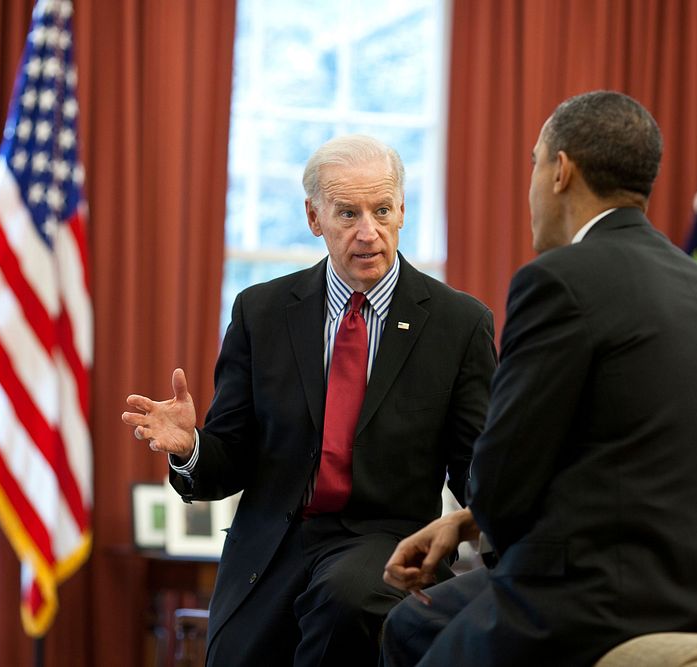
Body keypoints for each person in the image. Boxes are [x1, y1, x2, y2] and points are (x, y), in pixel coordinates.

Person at [381, 91, 697, 666]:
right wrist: (466, 520)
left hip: (594, 603)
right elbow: (627, 463)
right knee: (416, 621)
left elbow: (501, 483)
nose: (529, 182)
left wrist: (485, 510)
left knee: (407, 632)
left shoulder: (560, 281)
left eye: (534, 162)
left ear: (561, 171)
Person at [122, 134, 497, 666]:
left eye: (382, 210)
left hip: (381, 544)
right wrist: (190, 448)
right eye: (348, 213)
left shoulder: (458, 324)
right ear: (314, 217)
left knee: (342, 603)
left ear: (402, 211)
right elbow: (229, 461)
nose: (369, 232)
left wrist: (515, 540)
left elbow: (476, 467)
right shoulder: (262, 312)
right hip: (271, 547)